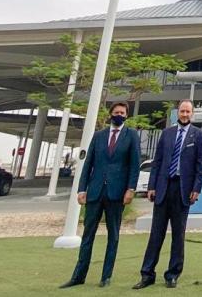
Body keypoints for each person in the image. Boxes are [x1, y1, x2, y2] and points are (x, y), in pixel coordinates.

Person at [61, 101, 140, 289]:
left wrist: (131, 188)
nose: (119, 115)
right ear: (111, 114)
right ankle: (78, 275)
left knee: (113, 235)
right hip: (96, 191)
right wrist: (82, 189)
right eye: (116, 112)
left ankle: (106, 276)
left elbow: (134, 164)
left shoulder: (131, 136)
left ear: (126, 116)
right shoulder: (99, 136)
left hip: (116, 193)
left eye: (122, 112)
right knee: (88, 234)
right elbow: (88, 164)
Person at [134, 100, 202, 289]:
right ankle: (147, 274)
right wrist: (151, 185)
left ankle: (172, 274)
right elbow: (157, 161)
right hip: (163, 188)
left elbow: (201, 164)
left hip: (183, 190)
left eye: (188, 111)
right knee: (156, 234)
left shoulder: (198, 135)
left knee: (178, 235)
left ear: (193, 114)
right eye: (182, 111)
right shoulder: (167, 133)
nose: (184, 114)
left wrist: (196, 188)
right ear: (177, 113)